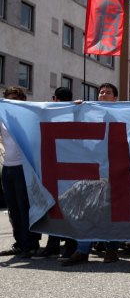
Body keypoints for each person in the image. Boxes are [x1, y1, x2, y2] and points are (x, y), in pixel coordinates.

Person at [63, 83, 123, 266]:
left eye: (108, 92)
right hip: (92, 169)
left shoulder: (123, 114)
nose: (103, 94)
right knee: (87, 209)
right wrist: (76, 110)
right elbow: (74, 129)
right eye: (101, 92)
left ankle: (111, 249)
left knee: (111, 211)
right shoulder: (89, 114)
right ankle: (82, 250)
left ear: (115, 98)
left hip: (114, 169)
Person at [34, 87, 78, 260]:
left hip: (69, 166)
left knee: (66, 208)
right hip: (55, 165)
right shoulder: (49, 113)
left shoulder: (76, 112)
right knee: (56, 207)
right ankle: (54, 245)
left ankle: (69, 245)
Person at [0, 87, 41, 258]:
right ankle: (20, 243)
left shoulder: (29, 116)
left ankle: (31, 244)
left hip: (24, 168)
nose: (12, 101)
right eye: (8, 98)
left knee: (25, 207)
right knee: (13, 209)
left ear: (22, 99)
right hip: (7, 168)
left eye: (15, 98)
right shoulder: (2, 118)